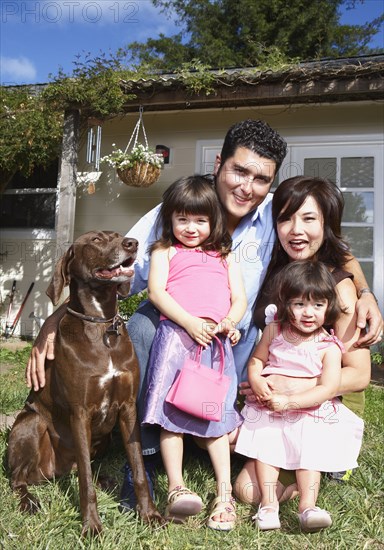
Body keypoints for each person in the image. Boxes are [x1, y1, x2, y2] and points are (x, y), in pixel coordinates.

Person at [25, 121, 382, 509]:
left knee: (256, 355)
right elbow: (113, 267)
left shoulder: (277, 214)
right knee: (142, 326)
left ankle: (225, 444)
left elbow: (328, 240)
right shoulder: (180, 210)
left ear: (272, 183)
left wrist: (365, 292)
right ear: (218, 164)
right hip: (176, 328)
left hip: (238, 336)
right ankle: (144, 459)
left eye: (261, 179)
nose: (248, 187)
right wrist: (53, 319)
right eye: (239, 171)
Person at [234, 175, 371, 507]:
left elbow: (360, 375)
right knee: (243, 481)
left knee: (249, 491)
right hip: (275, 406)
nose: (295, 229)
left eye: (309, 219)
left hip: (322, 404)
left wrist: (292, 386)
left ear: (326, 223)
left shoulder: (338, 287)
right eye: (285, 218)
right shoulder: (276, 268)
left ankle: (326, 464)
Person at [142, 175, 246, 529]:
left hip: (214, 346)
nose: (190, 227)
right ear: (170, 218)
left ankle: (225, 493)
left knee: (213, 418)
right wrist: (188, 322)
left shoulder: (224, 255)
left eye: (200, 220)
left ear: (213, 221)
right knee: (172, 417)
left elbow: (239, 298)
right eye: (182, 218)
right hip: (177, 339)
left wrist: (230, 322)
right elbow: (156, 292)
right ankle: (177, 487)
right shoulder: (164, 251)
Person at [234, 260, 364, 532]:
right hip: (271, 412)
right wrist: (256, 378)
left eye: (317, 305)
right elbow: (257, 361)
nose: (308, 313)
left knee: (309, 456)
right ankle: (269, 506)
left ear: (328, 307)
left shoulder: (329, 347)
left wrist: (291, 401)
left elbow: (328, 388)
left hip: (309, 414)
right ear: (286, 305)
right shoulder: (274, 331)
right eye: (299, 304)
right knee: (265, 452)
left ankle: (308, 505)